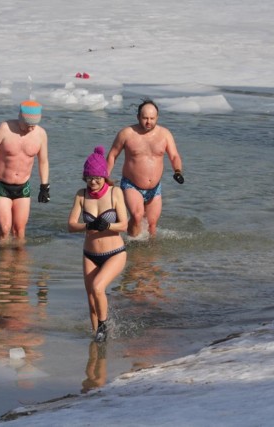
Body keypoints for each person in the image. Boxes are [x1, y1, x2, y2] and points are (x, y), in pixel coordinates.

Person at [68, 146, 128, 342]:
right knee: (91, 300)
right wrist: (89, 225)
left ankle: (103, 326)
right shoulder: (81, 195)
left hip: (115, 253)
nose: (93, 182)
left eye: (97, 178)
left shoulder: (115, 192)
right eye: (89, 178)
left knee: (98, 287)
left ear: (104, 177)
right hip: (90, 255)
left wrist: (107, 224)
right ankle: (97, 340)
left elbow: (124, 225)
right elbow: (71, 225)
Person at [0, 100, 50, 245]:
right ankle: (2, 263)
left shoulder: (40, 134)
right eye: (27, 125)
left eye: (33, 125)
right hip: (1, 185)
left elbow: (43, 161)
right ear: (20, 117)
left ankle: (20, 264)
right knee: (4, 228)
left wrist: (44, 187)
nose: (30, 129)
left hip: (23, 187)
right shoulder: (4, 129)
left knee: (19, 230)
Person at [106, 99, 184, 237]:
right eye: (145, 118)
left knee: (152, 224)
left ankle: (150, 254)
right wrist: (105, 177)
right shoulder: (126, 133)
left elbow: (174, 156)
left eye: (152, 118)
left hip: (155, 188)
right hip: (131, 185)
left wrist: (177, 171)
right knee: (137, 215)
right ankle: (131, 245)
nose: (149, 122)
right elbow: (112, 155)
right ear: (138, 117)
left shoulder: (165, 134)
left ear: (157, 117)